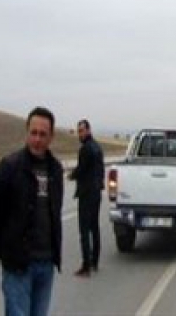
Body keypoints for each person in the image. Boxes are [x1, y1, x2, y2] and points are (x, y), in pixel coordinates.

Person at [0, 106, 64, 316]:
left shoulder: (55, 169)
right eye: (33, 133)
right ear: (27, 132)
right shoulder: (9, 167)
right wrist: (4, 252)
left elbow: (55, 212)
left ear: (51, 137)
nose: (37, 139)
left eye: (42, 134)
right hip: (18, 267)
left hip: (45, 265)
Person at [68, 119, 105, 277]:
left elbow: (81, 170)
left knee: (84, 230)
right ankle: (95, 261)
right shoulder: (97, 147)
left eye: (82, 130)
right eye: (79, 131)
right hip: (96, 192)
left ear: (88, 130)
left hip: (86, 193)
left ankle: (86, 265)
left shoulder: (86, 149)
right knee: (94, 227)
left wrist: (71, 175)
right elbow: (101, 170)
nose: (80, 134)